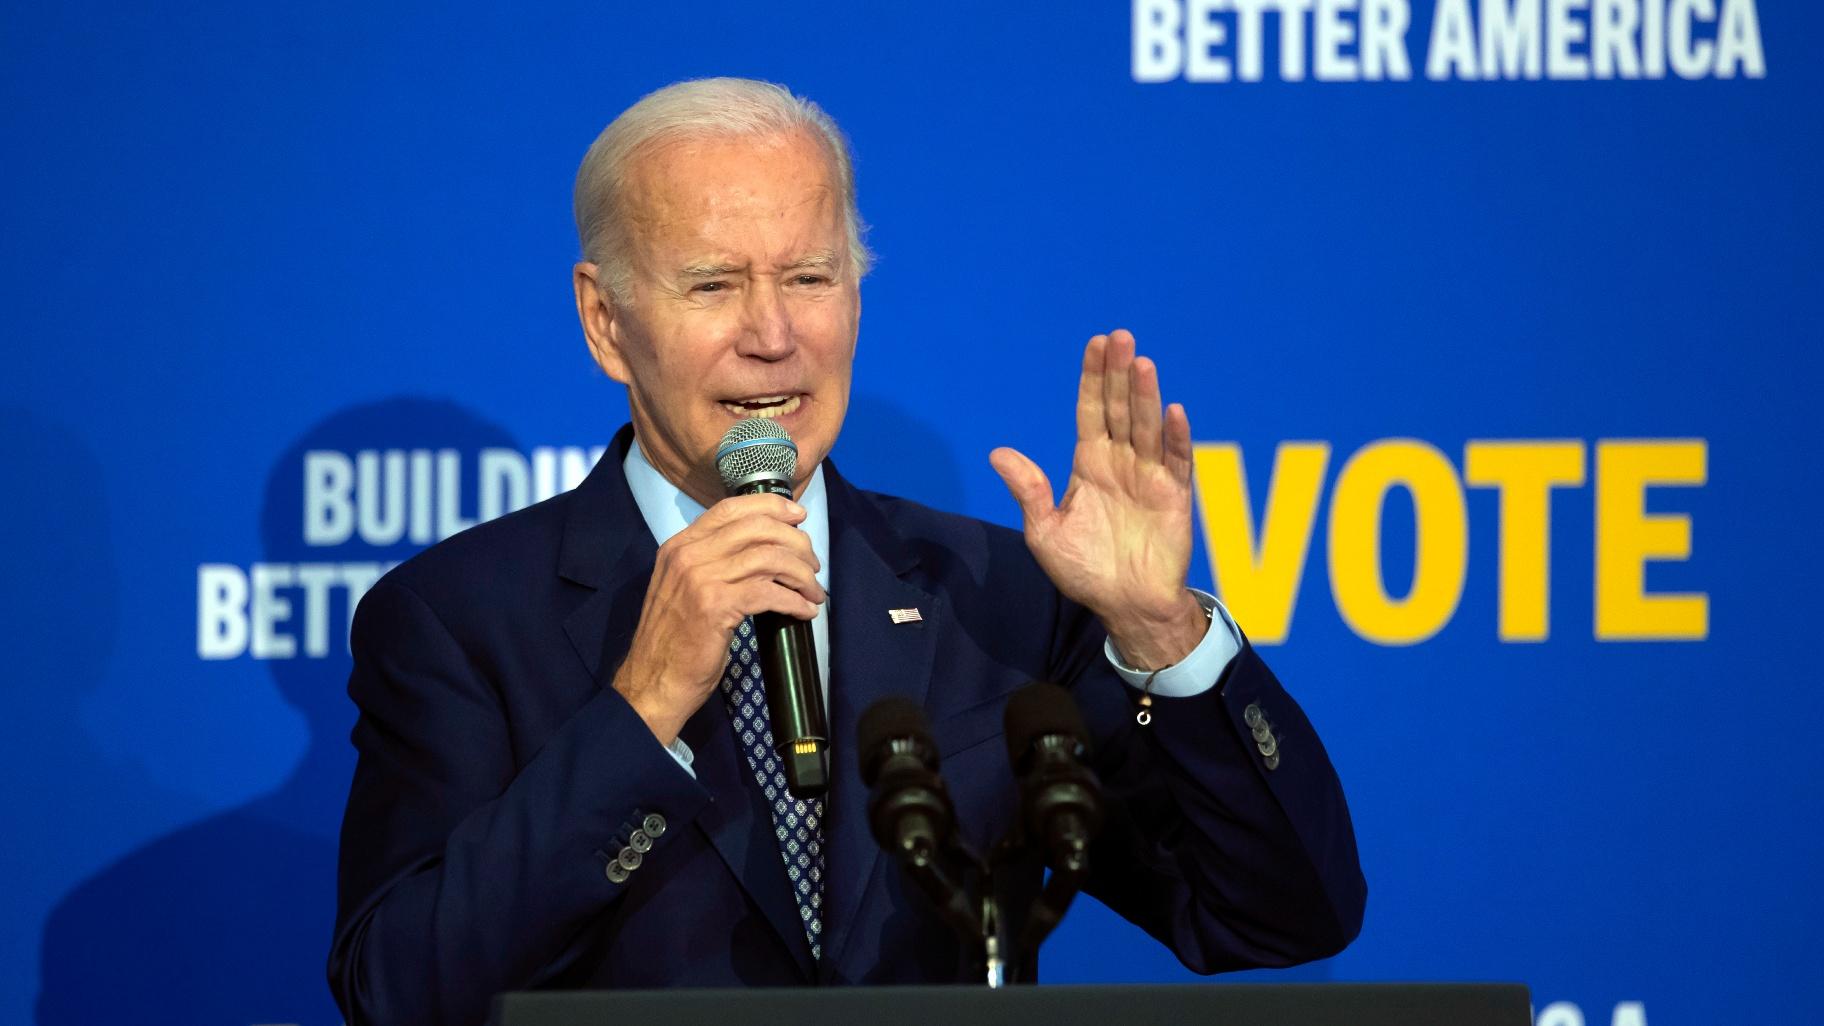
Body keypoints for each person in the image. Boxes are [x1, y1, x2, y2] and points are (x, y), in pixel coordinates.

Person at [328, 77, 1364, 1026]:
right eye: (713, 286)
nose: (774, 334)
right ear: (606, 323)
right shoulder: (458, 619)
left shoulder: (996, 596)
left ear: (856, 300)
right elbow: (399, 993)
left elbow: (1279, 918)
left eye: (810, 277)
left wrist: (1159, 631)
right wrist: (639, 716)